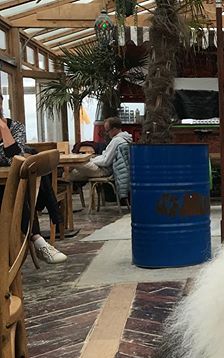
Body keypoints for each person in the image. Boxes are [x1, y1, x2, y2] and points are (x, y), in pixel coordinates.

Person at [0, 94, 67, 264]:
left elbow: (15, 160)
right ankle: (37, 240)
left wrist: (4, 130)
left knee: (15, 191)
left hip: (7, 186)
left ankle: (38, 241)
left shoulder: (15, 127)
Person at [68, 117, 132, 182]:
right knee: (72, 174)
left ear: (114, 129)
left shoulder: (117, 141)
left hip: (104, 170)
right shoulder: (122, 139)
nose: (107, 133)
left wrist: (91, 161)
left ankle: (65, 185)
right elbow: (105, 157)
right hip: (104, 168)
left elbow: (106, 161)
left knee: (75, 163)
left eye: (107, 131)